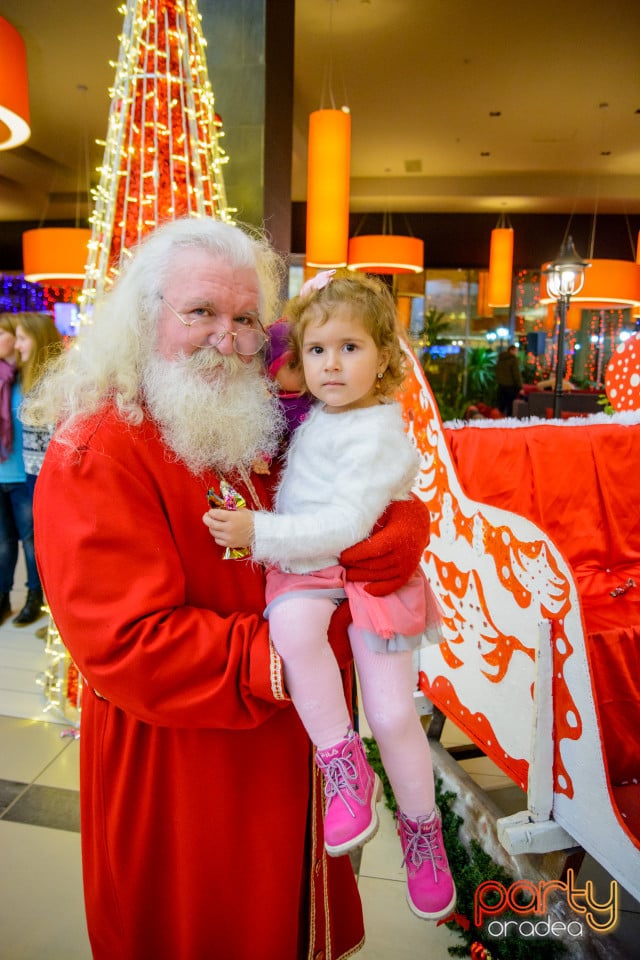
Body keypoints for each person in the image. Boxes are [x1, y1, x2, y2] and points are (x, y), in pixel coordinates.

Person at [23, 217, 430, 960]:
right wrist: (320, 636)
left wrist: (398, 525)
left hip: (291, 755)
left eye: (246, 318)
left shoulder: (254, 422)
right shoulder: (98, 448)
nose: (230, 338)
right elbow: (130, 646)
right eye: (201, 312)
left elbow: (336, 504)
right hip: (190, 784)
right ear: (148, 320)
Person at [205, 269, 456, 922]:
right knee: (290, 635)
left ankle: (422, 830)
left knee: (395, 712)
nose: (331, 365)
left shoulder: (374, 430)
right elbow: (280, 353)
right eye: (317, 351)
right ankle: (343, 763)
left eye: (351, 348)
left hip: (364, 564)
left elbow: (347, 525)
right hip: (307, 564)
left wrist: (256, 531)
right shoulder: (315, 408)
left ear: (384, 359)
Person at [0, 313, 45, 627]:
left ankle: (34, 598)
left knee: (31, 541)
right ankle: (3, 597)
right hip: (2, 472)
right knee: (3, 542)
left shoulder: (31, 379)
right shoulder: (4, 376)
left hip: (24, 475)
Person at [15, 312, 63, 493]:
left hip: (47, 473)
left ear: (38, 339)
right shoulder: (31, 378)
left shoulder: (54, 381)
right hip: (33, 469)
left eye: (22, 339)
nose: (17, 345)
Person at [495, 343, 522, 416]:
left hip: (501, 385)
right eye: (515, 351)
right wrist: (519, 386)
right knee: (510, 406)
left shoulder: (500, 359)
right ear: (511, 350)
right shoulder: (513, 360)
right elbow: (516, 375)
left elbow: (497, 372)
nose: (516, 353)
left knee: (501, 406)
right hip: (511, 386)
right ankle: (508, 423)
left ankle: (499, 421)